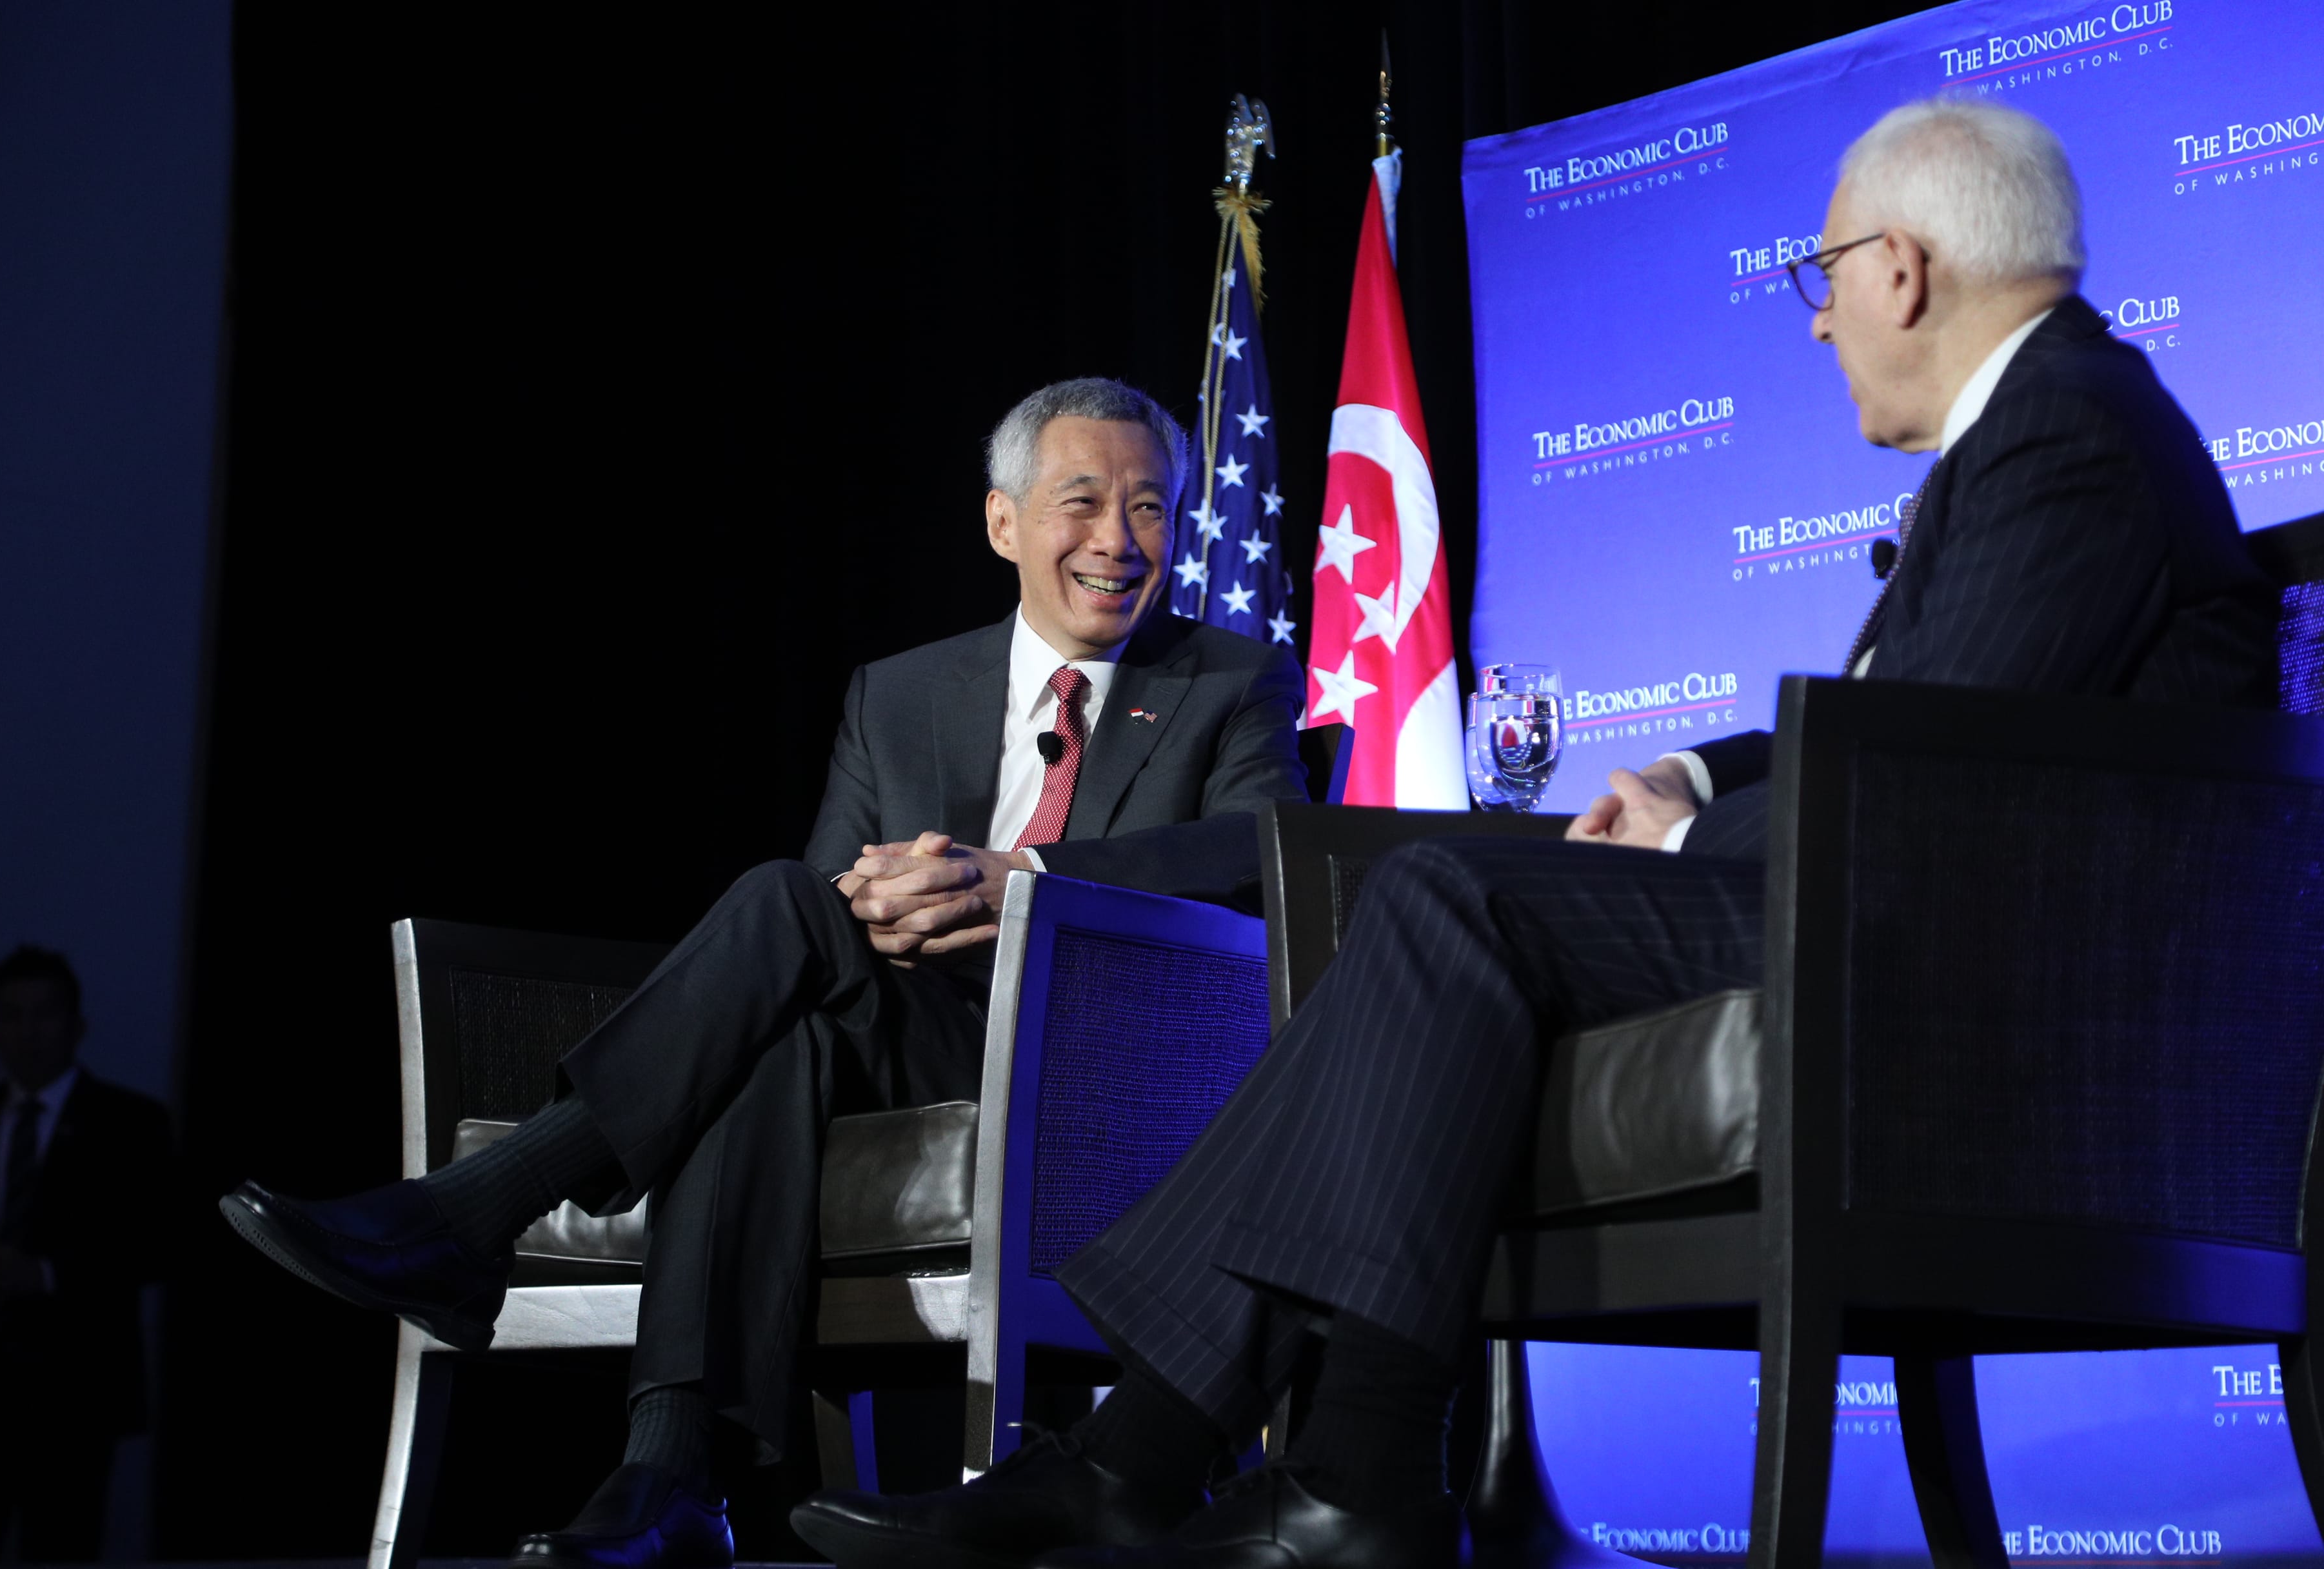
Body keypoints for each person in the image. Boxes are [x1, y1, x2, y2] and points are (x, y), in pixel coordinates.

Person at [792, 99, 2279, 1569]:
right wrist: (1694, 777)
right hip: (1899, 909)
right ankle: (1269, 1467)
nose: (1820, 324)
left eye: (1821, 278)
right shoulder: (2055, 425)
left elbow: (1927, 777)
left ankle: (1235, 1461)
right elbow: (1924, 712)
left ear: (1898, 265)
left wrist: (1684, 850)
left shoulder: (2065, 436)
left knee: (1453, 895)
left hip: (1969, 986)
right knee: (1427, 906)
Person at [218, 376, 1308, 1569]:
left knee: (776, 936)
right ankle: (669, 1475)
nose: (1117, 541)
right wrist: (877, 908)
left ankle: (495, 1225)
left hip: (1082, 1059)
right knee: (774, 1002)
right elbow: (823, 900)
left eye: (1150, 509)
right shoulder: (899, 693)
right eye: (1083, 502)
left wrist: (1020, 876)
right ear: (1003, 523)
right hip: (890, 1034)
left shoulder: (1227, 680)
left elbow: (1253, 858)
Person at [0, 946, 175, 1563]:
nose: (27, 1032)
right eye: (12, 1015)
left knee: (61, 1547)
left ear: (75, 1024)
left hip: (76, 1390)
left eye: (44, 1014)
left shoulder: (131, 1123)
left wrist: (46, 1273)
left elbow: (157, 1243)